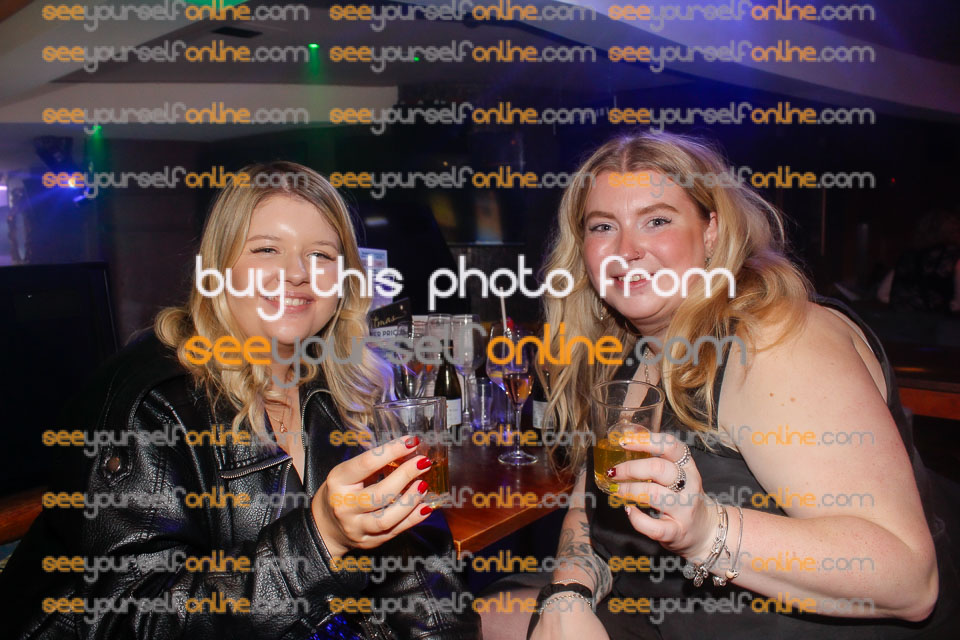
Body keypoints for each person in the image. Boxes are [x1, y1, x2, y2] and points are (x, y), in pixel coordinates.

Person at [486, 132, 958, 639]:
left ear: (711, 230)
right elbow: (591, 497)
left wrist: (707, 531)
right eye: (603, 226)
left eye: (657, 220)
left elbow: (910, 580)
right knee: (471, 616)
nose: (626, 250)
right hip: (660, 606)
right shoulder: (634, 349)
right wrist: (568, 592)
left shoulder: (773, 340)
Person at [0, 162, 480, 639]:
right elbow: (133, 620)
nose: (297, 274)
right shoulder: (154, 403)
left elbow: (416, 568)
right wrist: (320, 539)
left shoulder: (347, 383)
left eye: (320, 255)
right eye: (267, 249)